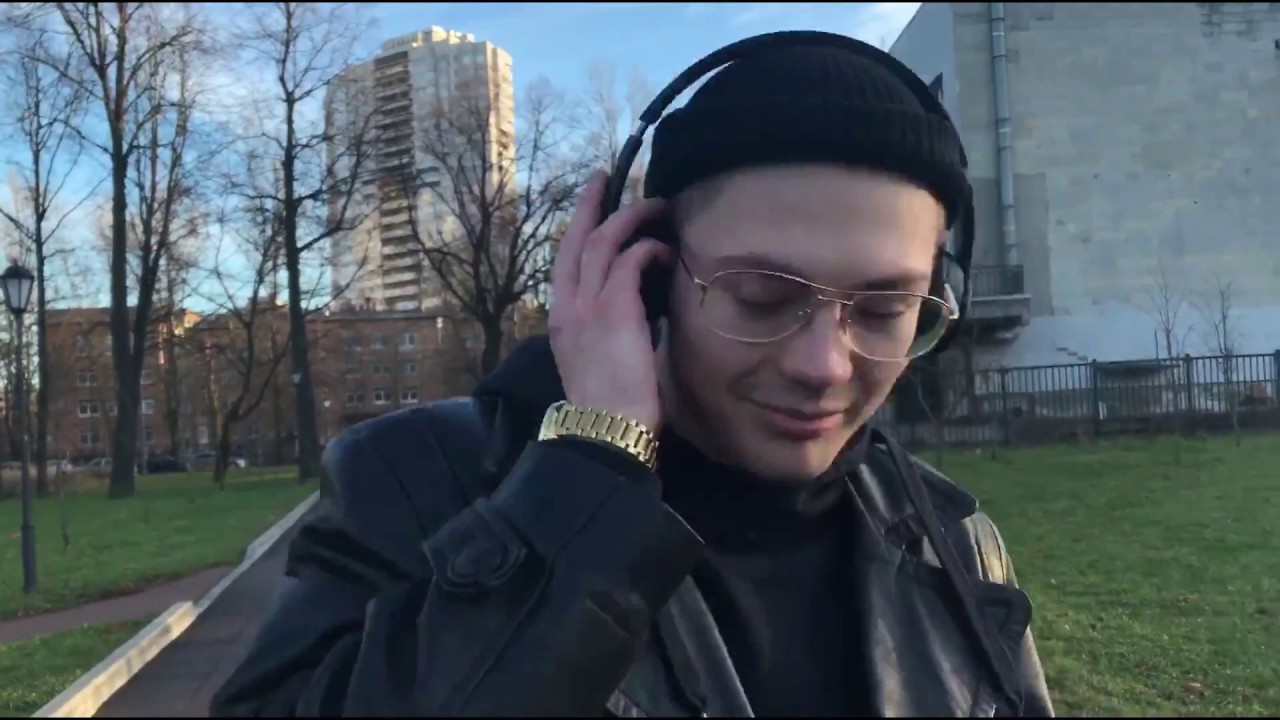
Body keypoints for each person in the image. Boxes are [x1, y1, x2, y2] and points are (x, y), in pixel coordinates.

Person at [211, 33, 1054, 718]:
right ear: (646, 278)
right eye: (761, 298)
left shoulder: (955, 542)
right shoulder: (418, 483)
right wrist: (590, 473)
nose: (823, 367)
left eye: (884, 310)